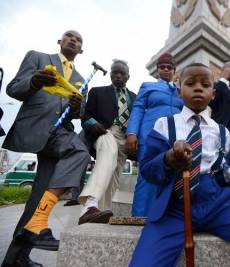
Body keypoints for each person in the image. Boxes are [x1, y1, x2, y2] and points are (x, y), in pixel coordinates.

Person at [129, 63, 230, 267]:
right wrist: (168, 159)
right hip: (174, 207)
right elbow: (147, 170)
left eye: (205, 84)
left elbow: (225, 172)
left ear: (213, 94)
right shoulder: (165, 125)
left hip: (218, 204)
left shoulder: (222, 132)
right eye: (190, 83)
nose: (198, 87)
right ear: (179, 90)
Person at [1, 30, 90, 267]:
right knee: (79, 151)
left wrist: (76, 107)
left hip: (59, 133)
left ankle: (15, 259)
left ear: (81, 49)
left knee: (39, 199)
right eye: (69, 36)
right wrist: (34, 81)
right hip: (36, 127)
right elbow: (13, 89)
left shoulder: (82, 78)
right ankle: (33, 230)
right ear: (60, 42)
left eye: (79, 40)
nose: (74, 40)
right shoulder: (39, 58)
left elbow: (80, 114)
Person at [77, 60, 137, 224]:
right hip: (105, 131)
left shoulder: (135, 97)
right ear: (110, 74)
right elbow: (86, 116)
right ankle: (90, 204)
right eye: (115, 72)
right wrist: (92, 124)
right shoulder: (97, 92)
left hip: (125, 139)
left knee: (114, 176)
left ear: (128, 76)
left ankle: (99, 213)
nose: (118, 75)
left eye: (122, 73)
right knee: (109, 151)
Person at [125, 53, 184, 216]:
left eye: (170, 67)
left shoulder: (180, 91)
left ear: (174, 70)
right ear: (157, 70)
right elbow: (137, 109)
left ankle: (163, 218)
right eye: (162, 67)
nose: (166, 70)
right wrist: (132, 133)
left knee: (172, 178)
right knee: (147, 178)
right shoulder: (148, 86)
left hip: (175, 139)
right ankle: (139, 218)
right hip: (150, 135)